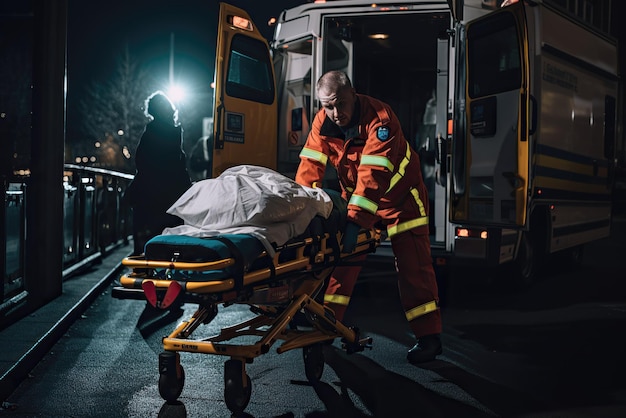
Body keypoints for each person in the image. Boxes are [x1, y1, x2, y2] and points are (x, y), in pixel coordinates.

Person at [295, 70, 442, 364]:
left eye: (340, 104)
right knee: (342, 263)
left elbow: (373, 175)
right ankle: (327, 323)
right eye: (327, 106)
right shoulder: (322, 123)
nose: (335, 113)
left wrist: (355, 221)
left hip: (401, 199)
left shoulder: (381, 120)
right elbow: (309, 167)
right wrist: (301, 211)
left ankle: (429, 338)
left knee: (414, 267)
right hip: (359, 199)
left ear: (354, 94)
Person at [125, 91, 192, 255]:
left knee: (146, 237)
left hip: (149, 195)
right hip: (171, 196)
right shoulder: (175, 135)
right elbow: (180, 166)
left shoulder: (151, 133)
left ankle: (145, 265)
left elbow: (141, 162)